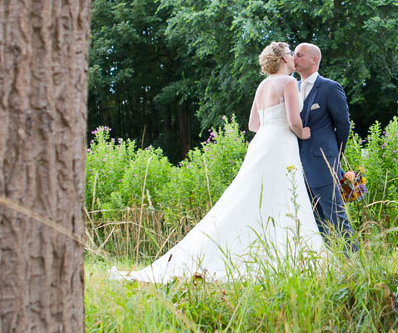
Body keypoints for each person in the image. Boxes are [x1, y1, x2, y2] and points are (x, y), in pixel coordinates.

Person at [109, 42, 325, 283]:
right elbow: (294, 122)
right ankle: (286, 254)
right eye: (290, 53)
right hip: (281, 145)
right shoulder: (288, 83)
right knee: (284, 195)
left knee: (250, 196)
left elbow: (254, 125)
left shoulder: (263, 85)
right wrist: (304, 133)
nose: (293, 57)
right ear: (284, 59)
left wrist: (273, 126)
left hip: (262, 143)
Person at [293, 43, 358, 251]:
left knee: (336, 216)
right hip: (296, 165)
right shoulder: (292, 88)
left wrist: (334, 156)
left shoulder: (330, 88)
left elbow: (343, 124)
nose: (294, 58)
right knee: (313, 221)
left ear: (314, 59)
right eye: (294, 54)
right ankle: (328, 262)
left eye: (300, 55)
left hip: (323, 164)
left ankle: (354, 261)